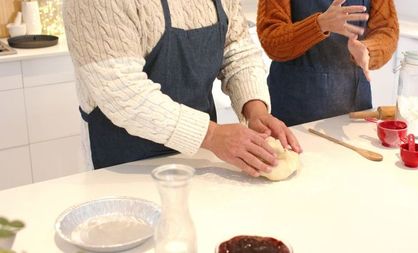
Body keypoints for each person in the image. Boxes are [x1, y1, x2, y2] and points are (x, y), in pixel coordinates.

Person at [63, 0, 302, 177]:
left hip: (200, 160)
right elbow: (123, 93)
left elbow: (237, 50)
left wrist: (255, 109)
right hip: (125, 165)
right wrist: (212, 135)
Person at [257, 0, 399, 126]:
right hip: (294, 110)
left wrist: (368, 49)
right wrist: (319, 25)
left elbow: (387, 30)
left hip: (355, 110)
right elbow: (271, 39)